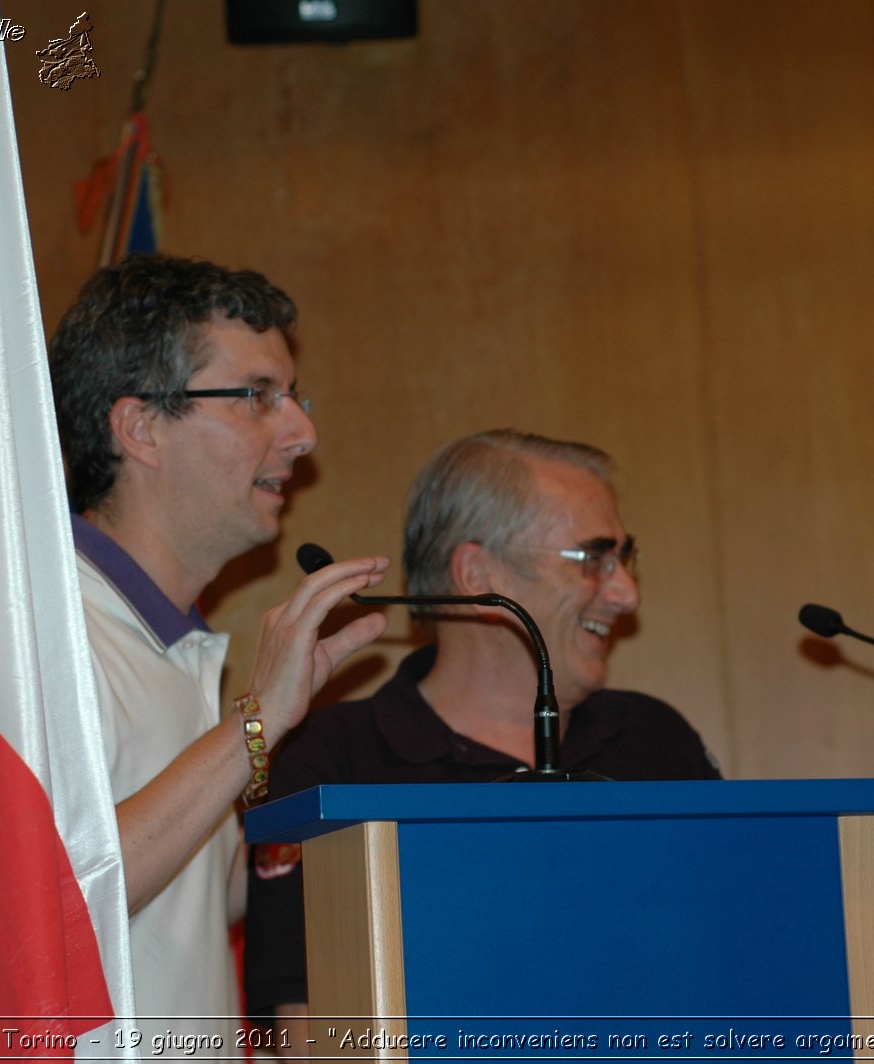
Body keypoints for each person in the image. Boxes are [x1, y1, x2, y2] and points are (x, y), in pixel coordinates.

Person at [242, 429, 720, 1044]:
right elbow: (311, 1034)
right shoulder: (336, 762)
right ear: (476, 574)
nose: (627, 593)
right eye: (594, 558)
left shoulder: (656, 741)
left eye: (625, 558)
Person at [47, 254, 390, 1051]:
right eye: (257, 398)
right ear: (140, 428)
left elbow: (197, 899)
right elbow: (56, 898)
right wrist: (256, 722)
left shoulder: (180, 646)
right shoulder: (43, 633)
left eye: (293, 397)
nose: (303, 433)